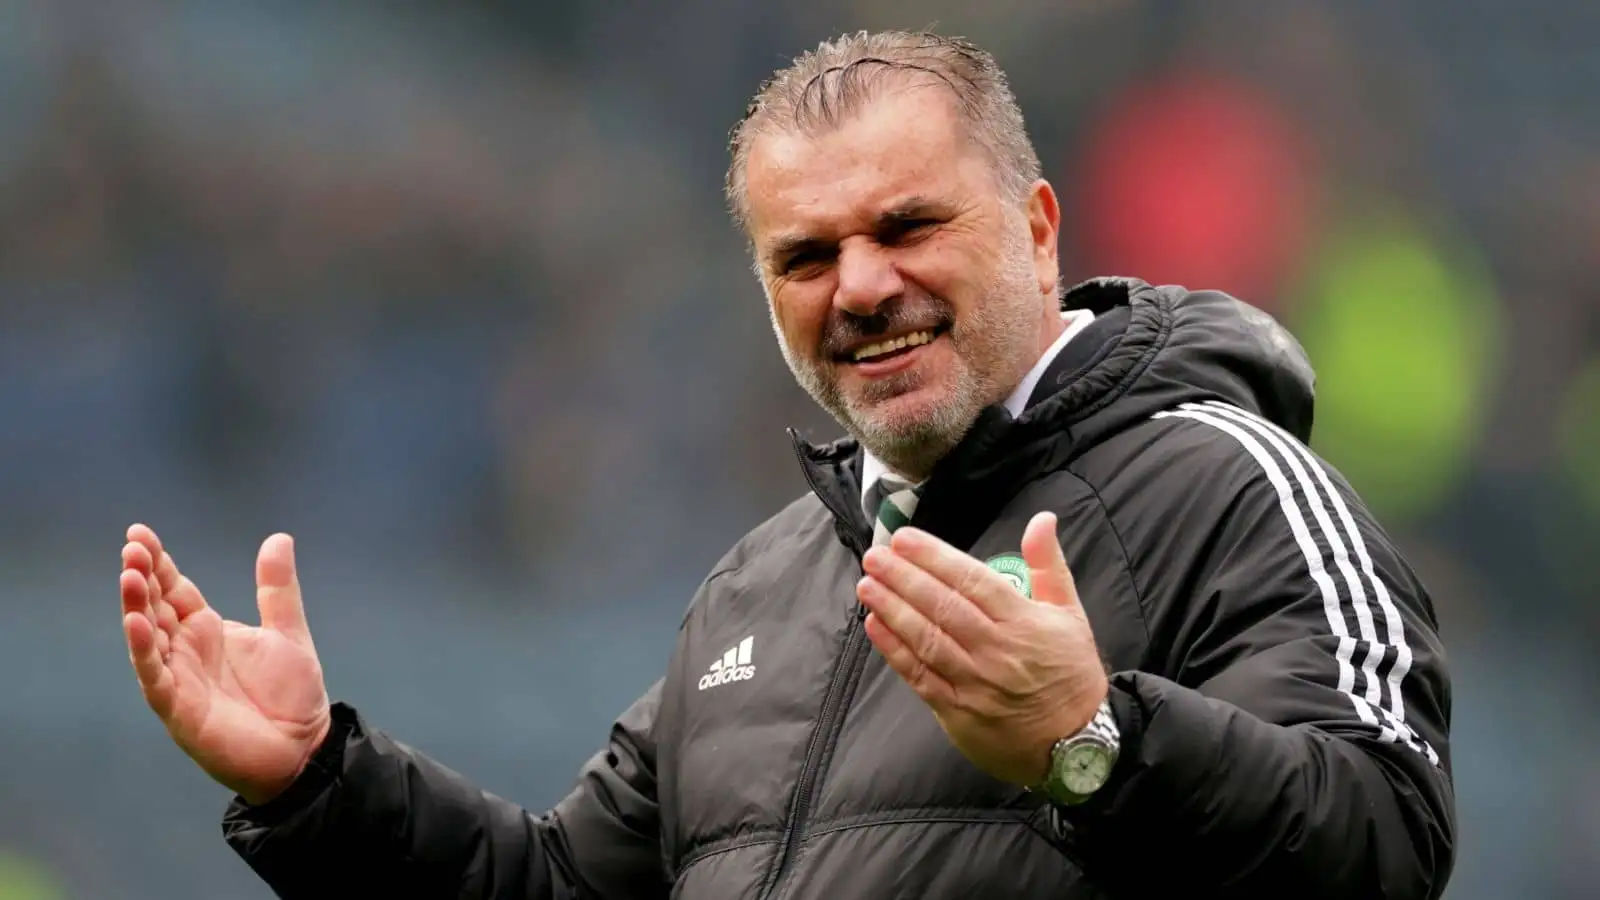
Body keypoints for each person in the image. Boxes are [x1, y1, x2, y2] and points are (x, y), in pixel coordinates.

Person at [118, 29, 1456, 899]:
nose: (861, 287)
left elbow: (1388, 845)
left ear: (1038, 231)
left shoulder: (1232, 489)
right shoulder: (760, 591)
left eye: (909, 226)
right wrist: (316, 788)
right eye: (805, 258)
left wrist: (1087, 743)